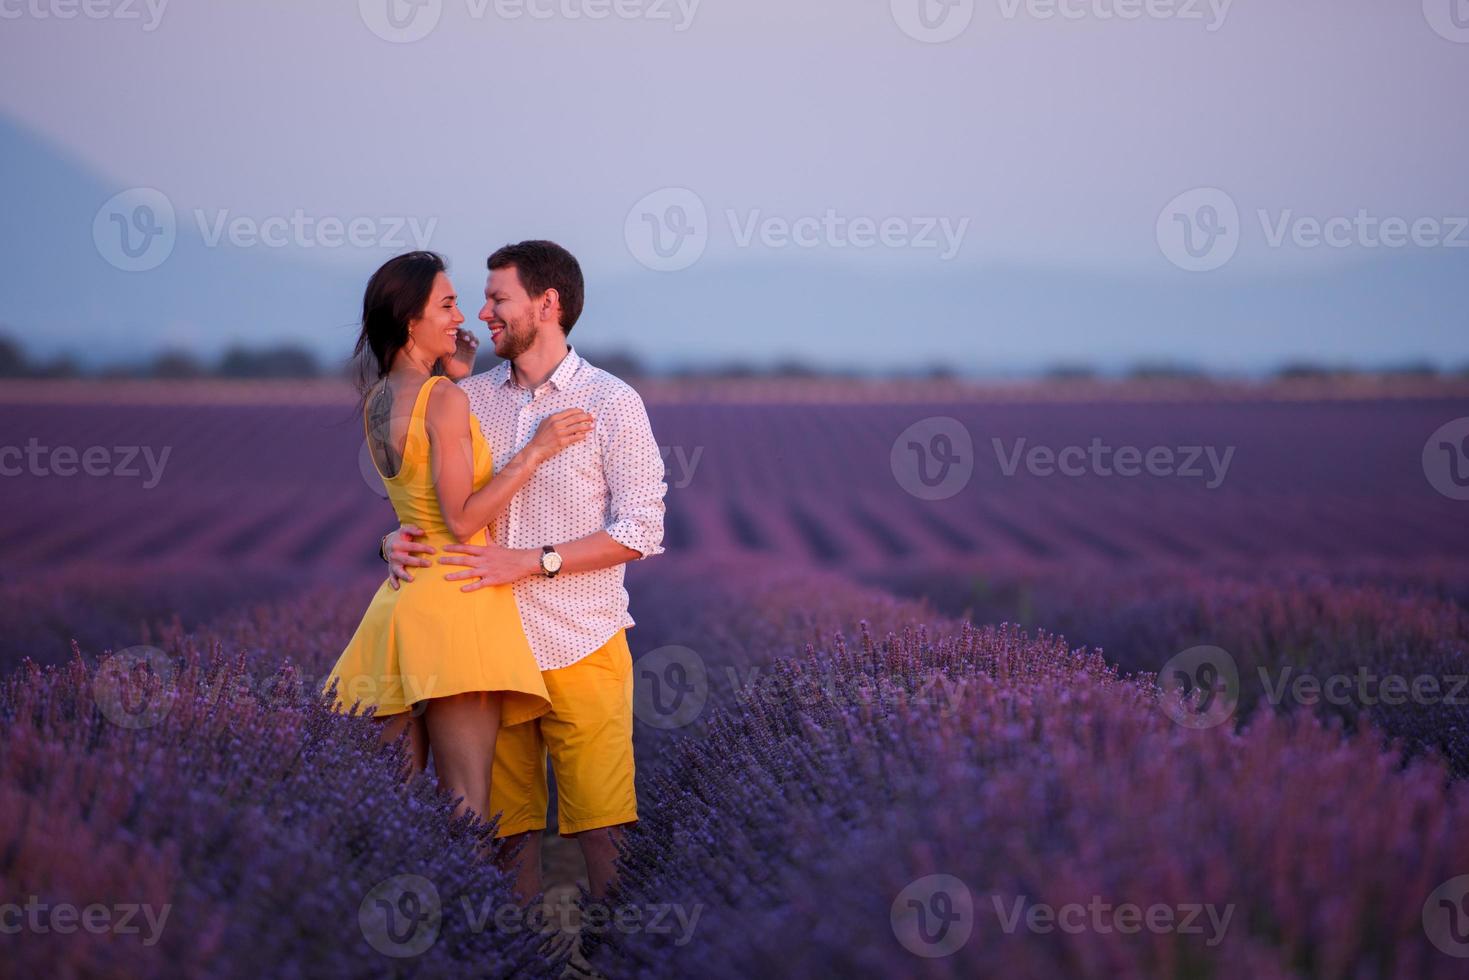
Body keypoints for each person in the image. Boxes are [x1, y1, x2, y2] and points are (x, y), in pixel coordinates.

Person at [381, 240, 667, 901]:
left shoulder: (611, 401)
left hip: (583, 641)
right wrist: (389, 540)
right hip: (490, 647)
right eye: (479, 300)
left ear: (548, 304)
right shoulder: (467, 398)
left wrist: (531, 562)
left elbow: (641, 532)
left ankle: (618, 958)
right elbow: (432, 499)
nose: (481, 314)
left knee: (603, 828)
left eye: (497, 299)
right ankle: (520, 961)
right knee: (505, 835)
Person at [323, 250, 595, 836]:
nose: (461, 317)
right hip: (460, 603)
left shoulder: (379, 401)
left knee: (387, 809)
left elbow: (417, 490)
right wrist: (536, 449)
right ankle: (471, 928)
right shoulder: (443, 401)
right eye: (445, 305)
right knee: (468, 810)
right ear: (409, 320)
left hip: (401, 606)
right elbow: (464, 519)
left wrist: (455, 379)